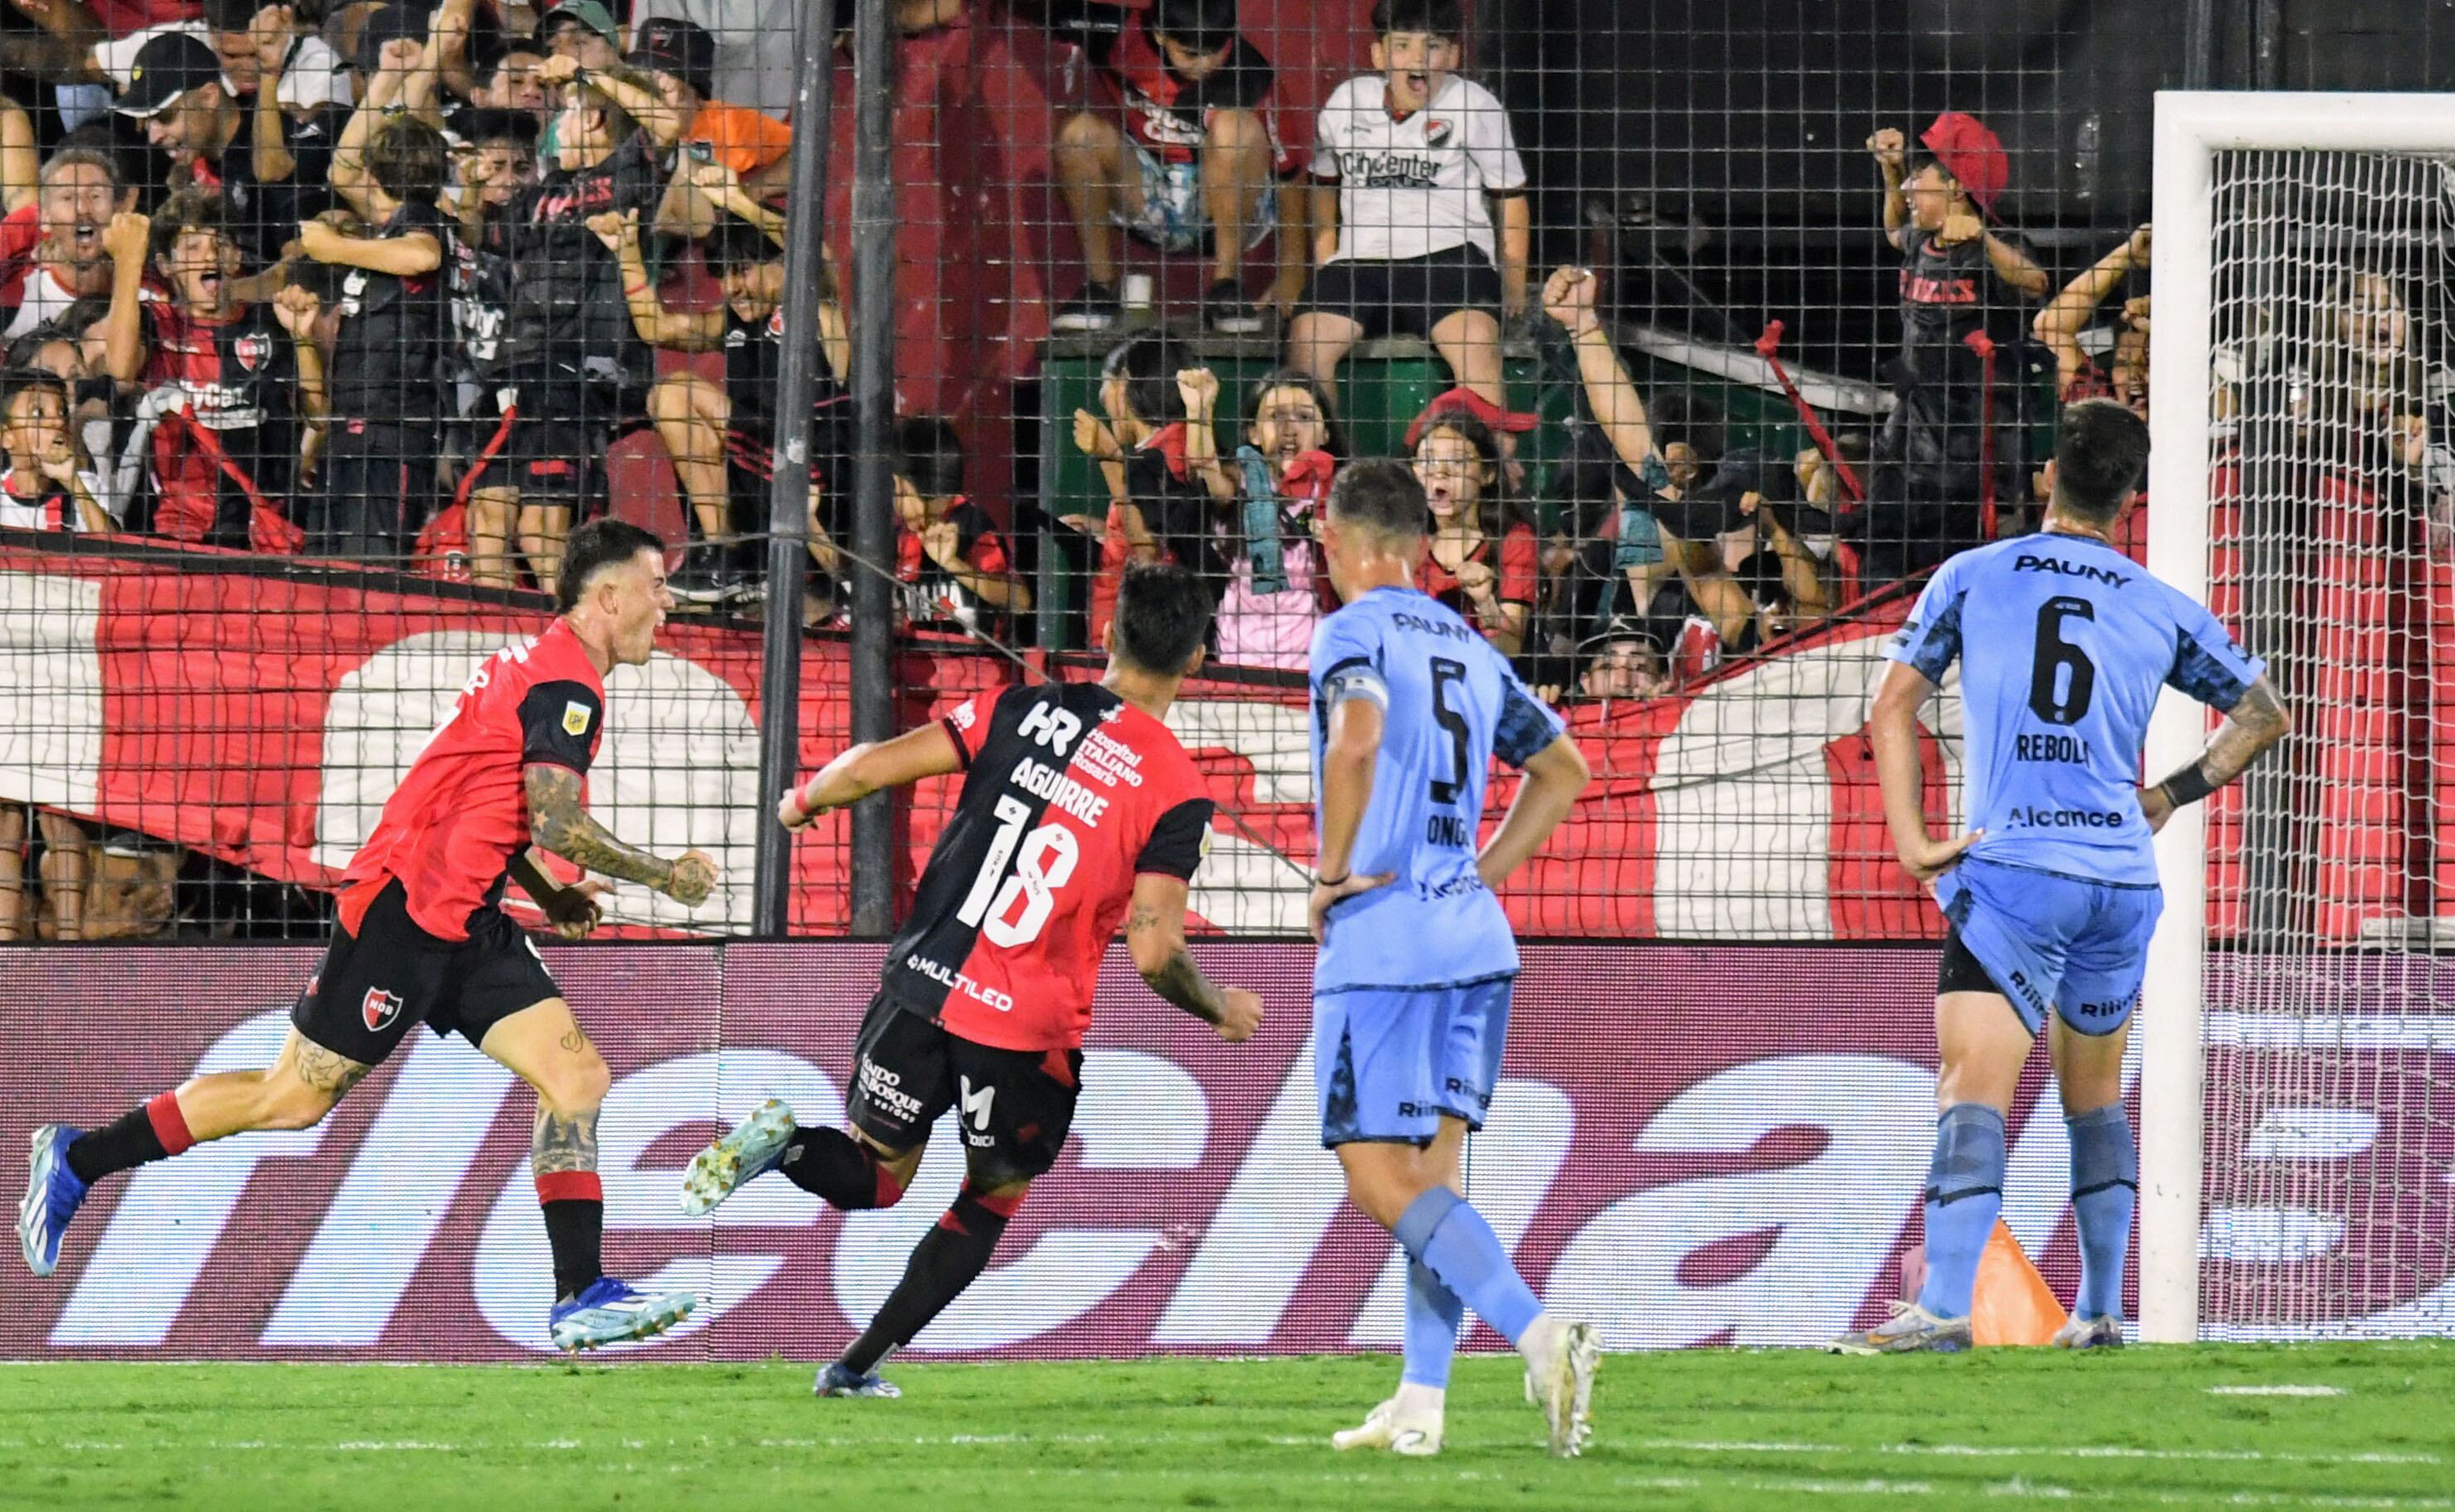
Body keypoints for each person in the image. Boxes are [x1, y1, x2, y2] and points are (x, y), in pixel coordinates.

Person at [19, 519, 717, 1351]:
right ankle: (78, 1158)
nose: (666, 604)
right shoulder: (567, 687)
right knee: (292, 1101)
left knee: (575, 1076)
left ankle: (579, 1294)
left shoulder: (542, 665)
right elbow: (555, 819)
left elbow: (486, 798)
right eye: (655, 585)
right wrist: (664, 876)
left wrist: (548, 898)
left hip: (467, 917)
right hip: (406, 913)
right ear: (607, 597)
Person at [680, 561, 1264, 1397]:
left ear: (1105, 635)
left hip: (918, 984)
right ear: (1199, 657)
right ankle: (852, 1367)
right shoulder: (1175, 786)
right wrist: (1215, 1007)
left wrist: (803, 801)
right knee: (990, 1195)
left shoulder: (1020, 705)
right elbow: (1154, 950)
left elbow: (867, 769)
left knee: (875, 1173)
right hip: (1023, 1030)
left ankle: (784, 1143)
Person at [1829, 400, 2291, 1355]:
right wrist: (2166, 794)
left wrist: (1914, 841)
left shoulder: (1972, 575)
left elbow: (1891, 708)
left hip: (2016, 871)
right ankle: (2097, 1311)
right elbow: (2262, 714)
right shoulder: (2159, 603)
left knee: (1970, 1088)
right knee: (2094, 1095)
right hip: (2118, 880)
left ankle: (1944, 1304)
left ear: (2046, 474)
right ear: (2128, 498)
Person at [1305, 458, 1598, 1457]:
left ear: (1339, 541)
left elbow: (1355, 740)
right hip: (1472, 939)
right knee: (1434, 1178)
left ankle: (1537, 1331)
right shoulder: (1472, 648)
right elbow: (1563, 769)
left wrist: (1330, 870)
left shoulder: (1349, 632)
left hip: (1383, 943)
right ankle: (1422, 1399)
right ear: (1420, 544)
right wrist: (1481, 869)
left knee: (1376, 1179)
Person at [464, 58, 664, 597]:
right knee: (486, 527)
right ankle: (506, 654)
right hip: (514, 370)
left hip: (578, 371)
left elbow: (664, 125)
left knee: (540, 533)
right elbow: (479, 233)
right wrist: (468, 188)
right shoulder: (544, 190)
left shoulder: (626, 175)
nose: (559, 124)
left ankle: (569, 653)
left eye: (571, 111)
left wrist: (587, 69)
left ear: (597, 119)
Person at [1288, 0, 1528, 424]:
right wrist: (1326, 250)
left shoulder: (1476, 104)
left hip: (1450, 254)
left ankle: (1494, 471)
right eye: (1402, 45)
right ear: (1379, 54)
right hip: (1362, 262)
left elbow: (1510, 197)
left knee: (1476, 346)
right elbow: (1322, 181)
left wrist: (1513, 281)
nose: (1418, 59)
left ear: (1453, 55)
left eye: (1433, 46)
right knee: (1307, 341)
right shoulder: (1347, 102)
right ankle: (1321, 472)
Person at [615, 210, 849, 606]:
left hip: (825, 475)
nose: (732, 287)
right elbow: (656, 327)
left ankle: (854, 590)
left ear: (783, 264)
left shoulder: (818, 312)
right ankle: (726, 556)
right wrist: (626, 254)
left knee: (681, 395)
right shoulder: (732, 326)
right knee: (668, 396)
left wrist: (736, 199)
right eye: (723, 275)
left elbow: (817, 256)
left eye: (743, 271)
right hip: (758, 475)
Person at [1861, 114, 2047, 582]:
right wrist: (1889, 173)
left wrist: (1981, 237)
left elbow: (2036, 282)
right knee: (1882, 566)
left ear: (1955, 190)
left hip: (1973, 454)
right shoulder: (1922, 239)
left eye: (1918, 179)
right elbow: (1893, 232)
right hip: (1908, 437)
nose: (1908, 188)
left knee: (1961, 576)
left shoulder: (1999, 243)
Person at [1050, 0, 1291, 336]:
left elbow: (1291, 173)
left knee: (1236, 128)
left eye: (1216, 50)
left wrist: (1294, 272)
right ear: (1161, 35)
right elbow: (1044, 11)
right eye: (1191, 53)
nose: (1205, 64)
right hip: (1151, 195)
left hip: (1227, 210)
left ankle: (1227, 286)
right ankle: (1099, 288)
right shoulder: (1117, 36)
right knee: (1078, 133)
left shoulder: (1252, 73)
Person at [98, 193, 319, 548]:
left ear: (235, 259)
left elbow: (318, 415)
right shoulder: (159, 323)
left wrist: (303, 340)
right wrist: (127, 263)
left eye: (220, 245)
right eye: (192, 247)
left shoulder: (271, 323)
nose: (209, 255)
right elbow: (121, 369)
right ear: (165, 265)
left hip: (266, 528)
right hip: (184, 525)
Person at [303, 112, 450, 561]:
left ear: (371, 175)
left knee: (371, 571)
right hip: (354, 429)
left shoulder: (423, 225)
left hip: (392, 434)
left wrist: (336, 247)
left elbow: (424, 256)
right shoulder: (387, 235)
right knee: (324, 570)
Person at [114, 27, 341, 269]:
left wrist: (224, 293)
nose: (154, 137)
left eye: (165, 116)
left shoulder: (284, 143)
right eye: (147, 121)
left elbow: (301, 272)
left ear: (209, 97)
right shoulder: (193, 170)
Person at [1212, 368, 1338, 669]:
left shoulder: (1339, 494)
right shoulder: (1235, 483)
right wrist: (1200, 412)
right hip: (1236, 661)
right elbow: (1204, 468)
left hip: (1308, 665)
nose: (1289, 429)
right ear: (1253, 432)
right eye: (1276, 416)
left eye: (1304, 418)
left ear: (1325, 433)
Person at [1411, 401, 1536, 656]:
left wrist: (1484, 602)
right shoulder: (1404, 541)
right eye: (1428, 460)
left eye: (1457, 461)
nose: (1440, 472)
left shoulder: (1513, 540)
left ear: (1487, 474)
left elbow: (1510, 651)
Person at [0, 147, 127, 341]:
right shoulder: (14, 291)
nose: (83, 208)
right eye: (68, 198)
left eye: (95, 196)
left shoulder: (147, 291)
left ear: (117, 209)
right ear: (44, 218)